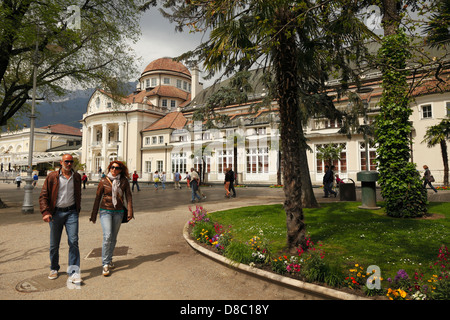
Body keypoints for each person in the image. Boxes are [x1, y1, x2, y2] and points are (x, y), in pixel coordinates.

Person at [39, 154, 82, 284]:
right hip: (56, 213)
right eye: (67, 161)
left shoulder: (77, 177)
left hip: (71, 212)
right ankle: (54, 268)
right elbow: (43, 195)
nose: (69, 164)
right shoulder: (52, 176)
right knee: (54, 244)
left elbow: (78, 194)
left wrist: (77, 209)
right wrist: (46, 211)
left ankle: (74, 272)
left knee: (73, 241)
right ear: (61, 162)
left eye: (71, 162)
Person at [90, 161, 133, 277]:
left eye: (117, 168)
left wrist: (130, 211)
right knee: (107, 235)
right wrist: (94, 214)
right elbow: (98, 197)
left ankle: (109, 259)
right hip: (105, 210)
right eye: (112, 167)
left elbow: (128, 196)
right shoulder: (103, 181)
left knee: (113, 237)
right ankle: (105, 264)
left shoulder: (124, 181)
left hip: (118, 212)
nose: (114, 170)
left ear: (120, 170)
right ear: (110, 168)